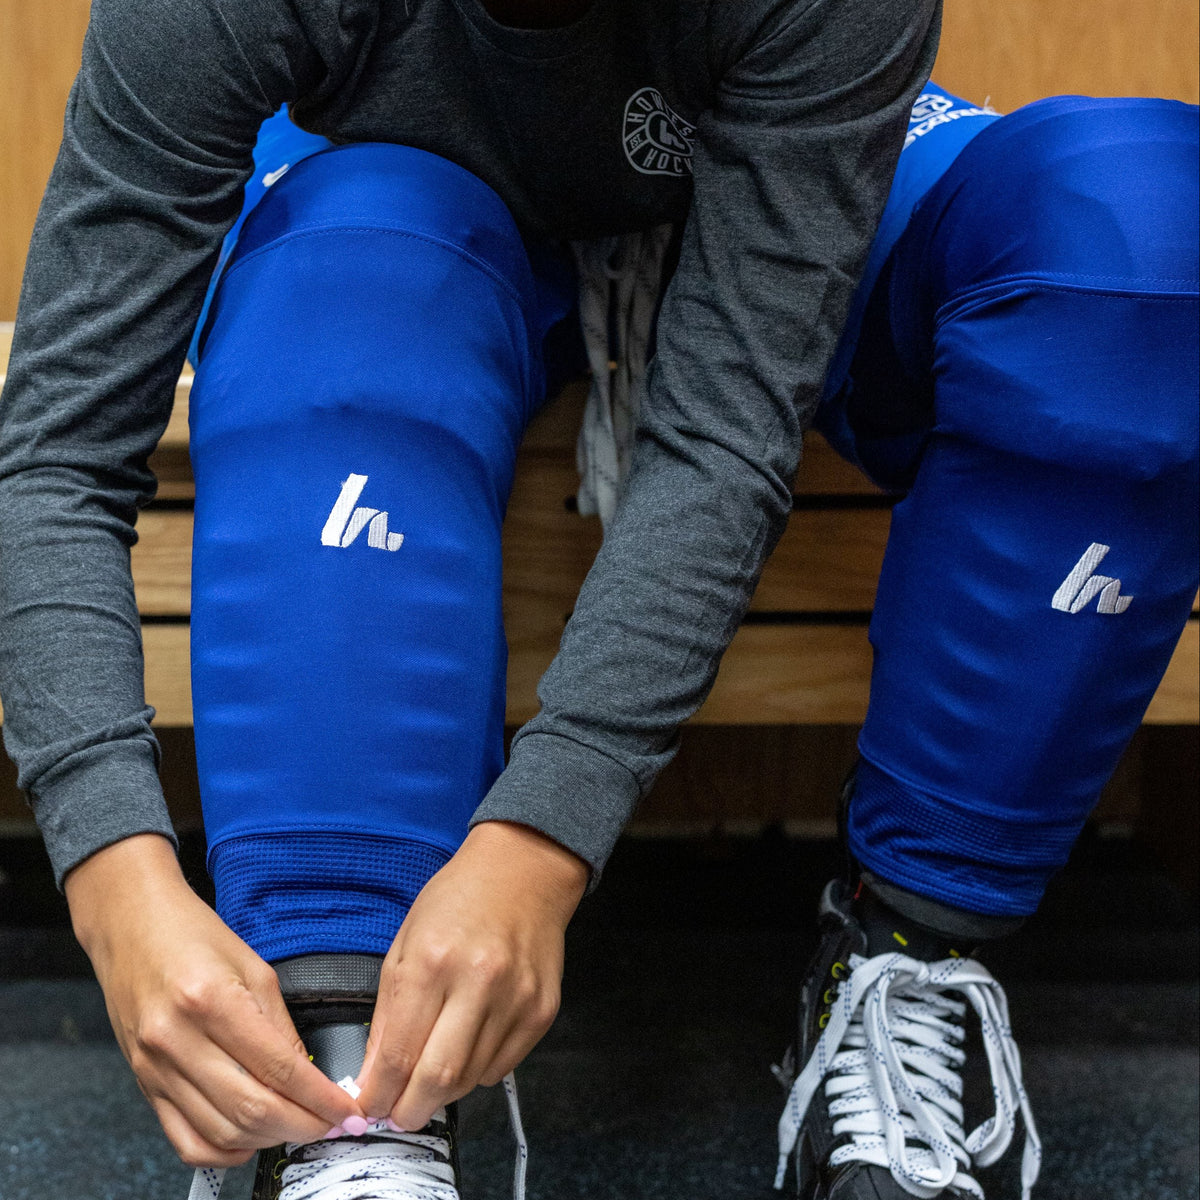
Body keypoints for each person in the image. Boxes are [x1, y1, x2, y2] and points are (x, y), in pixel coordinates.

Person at [0, 0, 942, 1197]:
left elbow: (723, 436)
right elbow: (60, 449)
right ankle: (352, 1091)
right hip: (415, 212)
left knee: (1120, 247)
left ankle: (910, 947)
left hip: (747, 173)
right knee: (349, 291)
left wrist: (541, 842)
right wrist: (112, 880)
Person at [771, 84, 1198, 1198]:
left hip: (783, 160)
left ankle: (897, 951)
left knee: (1133, 209)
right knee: (357, 252)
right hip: (450, 166)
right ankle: (350, 1044)